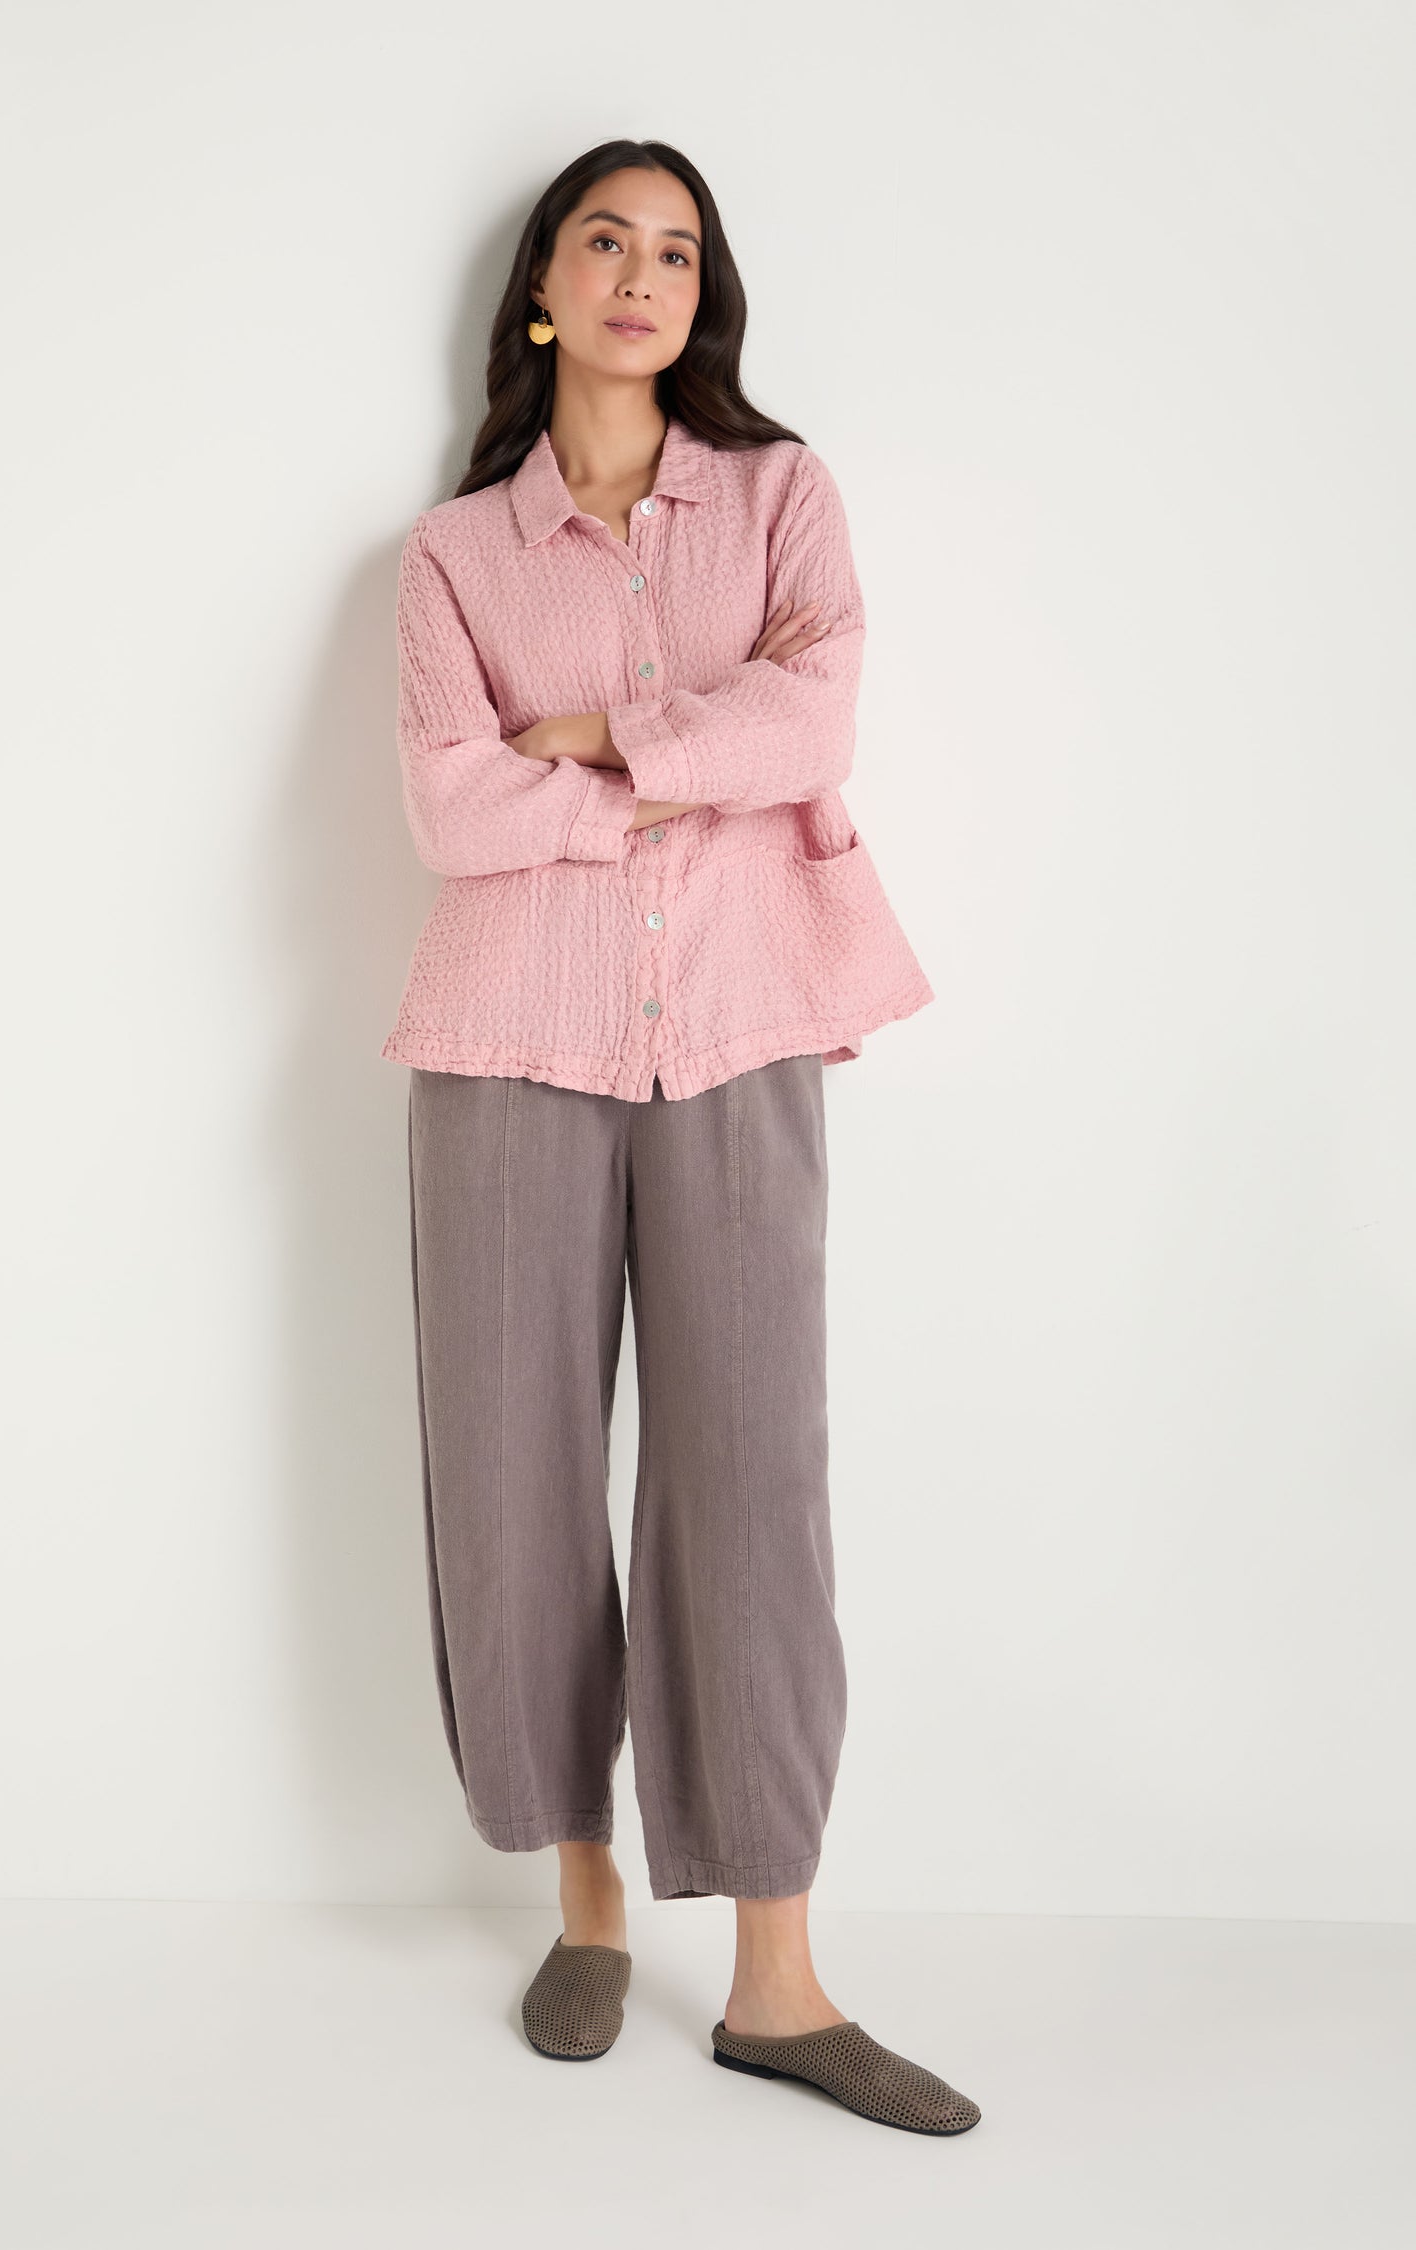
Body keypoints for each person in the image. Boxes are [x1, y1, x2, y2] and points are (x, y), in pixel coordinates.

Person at [381, 136, 981, 2136]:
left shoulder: (782, 493)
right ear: (545, 287)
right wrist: (675, 765)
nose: (644, 275)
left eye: (679, 251)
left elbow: (817, 724)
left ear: (703, 297)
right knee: (517, 1480)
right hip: (506, 1042)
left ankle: (780, 1983)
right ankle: (586, 1909)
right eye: (606, 241)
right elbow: (452, 812)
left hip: (740, 1031)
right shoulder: (454, 555)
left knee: (752, 1487)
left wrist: (594, 737)